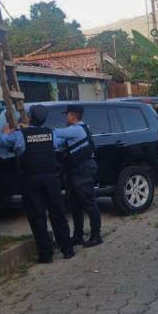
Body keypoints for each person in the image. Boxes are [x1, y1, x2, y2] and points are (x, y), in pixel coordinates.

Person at [0, 105, 74, 263]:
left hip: (31, 180)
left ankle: (46, 255)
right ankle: (67, 250)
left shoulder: (20, 135)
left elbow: (3, 142)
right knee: (58, 214)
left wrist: (6, 132)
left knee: (37, 217)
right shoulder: (50, 133)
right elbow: (59, 143)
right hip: (51, 179)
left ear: (30, 117)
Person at [54, 105, 103, 248]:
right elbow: (57, 142)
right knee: (75, 204)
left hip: (82, 170)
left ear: (73, 116)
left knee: (89, 203)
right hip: (76, 171)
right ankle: (78, 236)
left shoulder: (76, 129)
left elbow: (55, 133)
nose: (66, 117)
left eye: (67, 115)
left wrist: (33, 130)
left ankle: (96, 236)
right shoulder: (79, 129)